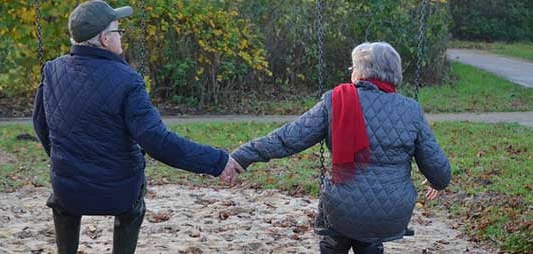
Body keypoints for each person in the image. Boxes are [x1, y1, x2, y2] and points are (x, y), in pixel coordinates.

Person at [32, 1, 243, 253]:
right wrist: (218, 161)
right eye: (118, 31)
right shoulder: (128, 80)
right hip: (119, 192)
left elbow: (40, 123)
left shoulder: (52, 70)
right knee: (132, 208)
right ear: (104, 39)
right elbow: (156, 141)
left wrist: (65, 160)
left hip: (68, 189)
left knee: (63, 202)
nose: (122, 38)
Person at [231, 42, 451, 254]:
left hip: (342, 209)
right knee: (370, 236)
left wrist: (243, 155)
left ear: (362, 72)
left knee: (336, 230)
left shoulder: (336, 101)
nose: (351, 72)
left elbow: (287, 139)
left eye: (353, 67)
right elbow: (440, 174)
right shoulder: (411, 110)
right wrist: (435, 181)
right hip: (391, 213)